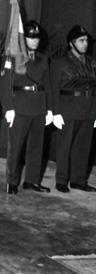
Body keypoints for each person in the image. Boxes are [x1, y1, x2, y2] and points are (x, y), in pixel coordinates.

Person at [0, 20, 53, 194]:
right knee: (16, 147)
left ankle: (32, 181)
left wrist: (50, 109)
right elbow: (4, 84)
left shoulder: (43, 59)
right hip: (19, 106)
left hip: (39, 106)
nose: (35, 41)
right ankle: (12, 181)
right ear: (23, 38)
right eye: (30, 37)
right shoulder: (12, 57)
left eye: (37, 38)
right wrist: (8, 108)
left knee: (36, 146)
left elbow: (48, 85)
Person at [50, 25, 96, 193]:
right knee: (64, 147)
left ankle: (78, 180)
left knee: (83, 147)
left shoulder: (92, 63)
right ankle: (61, 180)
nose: (85, 44)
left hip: (88, 110)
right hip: (67, 110)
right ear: (71, 43)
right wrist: (55, 112)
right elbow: (53, 88)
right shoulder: (59, 62)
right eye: (81, 41)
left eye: (86, 41)